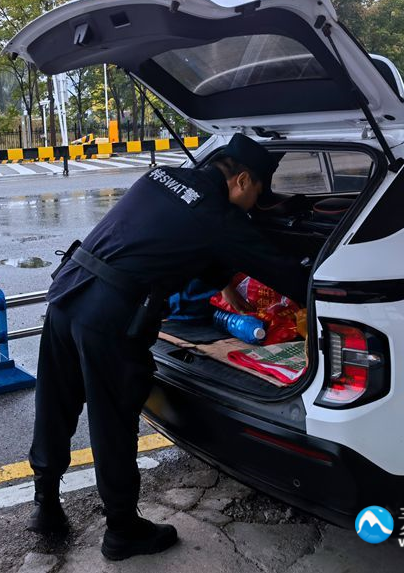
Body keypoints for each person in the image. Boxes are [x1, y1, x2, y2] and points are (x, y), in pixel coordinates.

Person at [28, 134, 309, 561]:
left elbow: (172, 238)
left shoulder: (159, 177)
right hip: (108, 315)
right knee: (112, 420)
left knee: (55, 403)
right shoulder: (218, 215)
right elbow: (282, 270)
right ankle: (122, 530)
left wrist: (225, 286)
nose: (255, 205)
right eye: (257, 194)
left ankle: (45, 504)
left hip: (67, 291)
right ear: (242, 180)